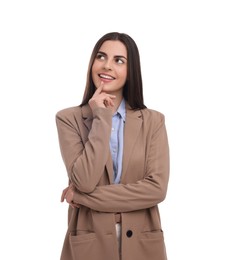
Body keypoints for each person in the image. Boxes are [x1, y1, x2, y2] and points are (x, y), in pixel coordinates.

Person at [56, 32, 170, 260]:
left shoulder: (153, 121)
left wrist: (81, 196)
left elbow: (156, 189)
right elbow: (85, 180)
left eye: (119, 60)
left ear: (131, 70)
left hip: (143, 244)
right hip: (89, 242)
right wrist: (101, 117)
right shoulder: (68, 119)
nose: (107, 66)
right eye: (101, 57)